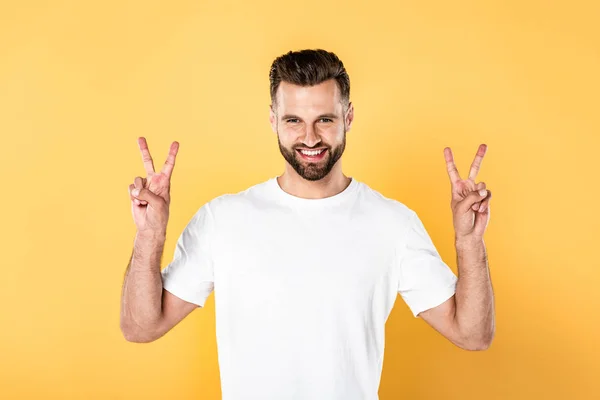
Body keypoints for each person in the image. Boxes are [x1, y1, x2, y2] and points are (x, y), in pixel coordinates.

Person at [120, 49, 495, 400]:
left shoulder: (392, 223)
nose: (310, 138)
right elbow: (141, 327)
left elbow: (473, 335)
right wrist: (150, 236)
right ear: (273, 120)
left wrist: (469, 241)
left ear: (348, 117)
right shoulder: (223, 219)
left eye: (325, 120)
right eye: (294, 121)